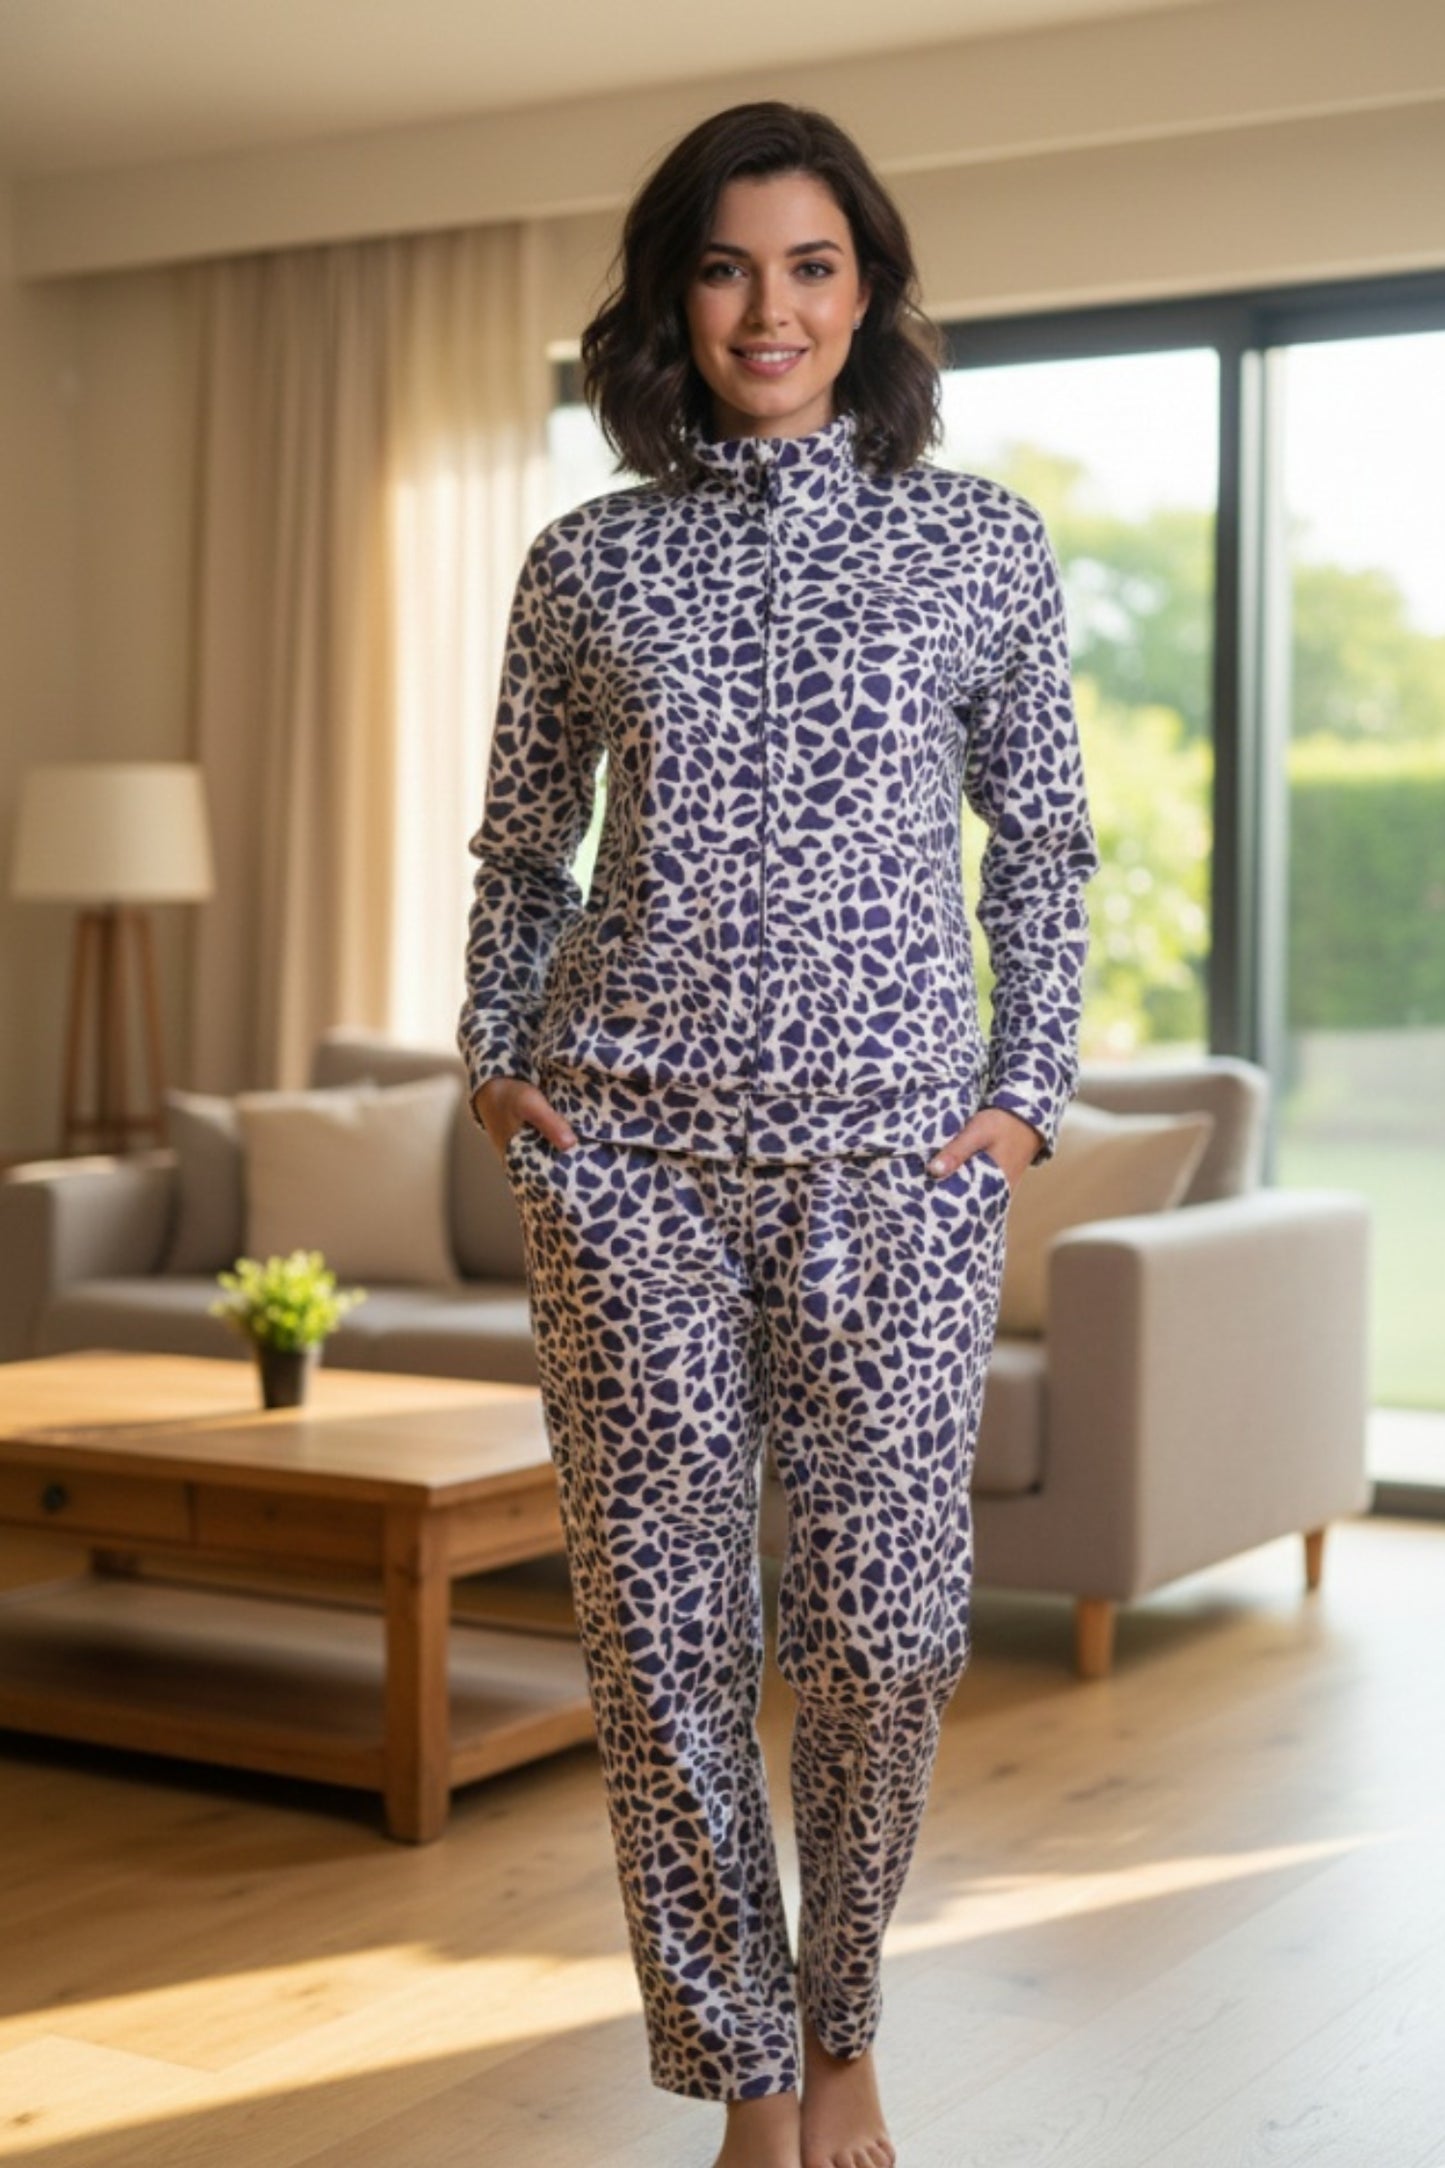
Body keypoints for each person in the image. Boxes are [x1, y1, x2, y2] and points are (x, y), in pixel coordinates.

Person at [457, 99, 1100, 2168]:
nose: (769, 307)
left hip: (899, 1172)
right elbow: (518, 849)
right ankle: (754, 2083)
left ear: (868, 292)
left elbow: (1051, 847)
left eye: (811, 266)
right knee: (659, 1650)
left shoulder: (978, 542)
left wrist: (1023, 1101)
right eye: (728, 266)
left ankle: (848, 2028)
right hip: (626, 1167)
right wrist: (497, 1061)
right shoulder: (588, 563)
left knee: (888, 1627)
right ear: (673, 296)